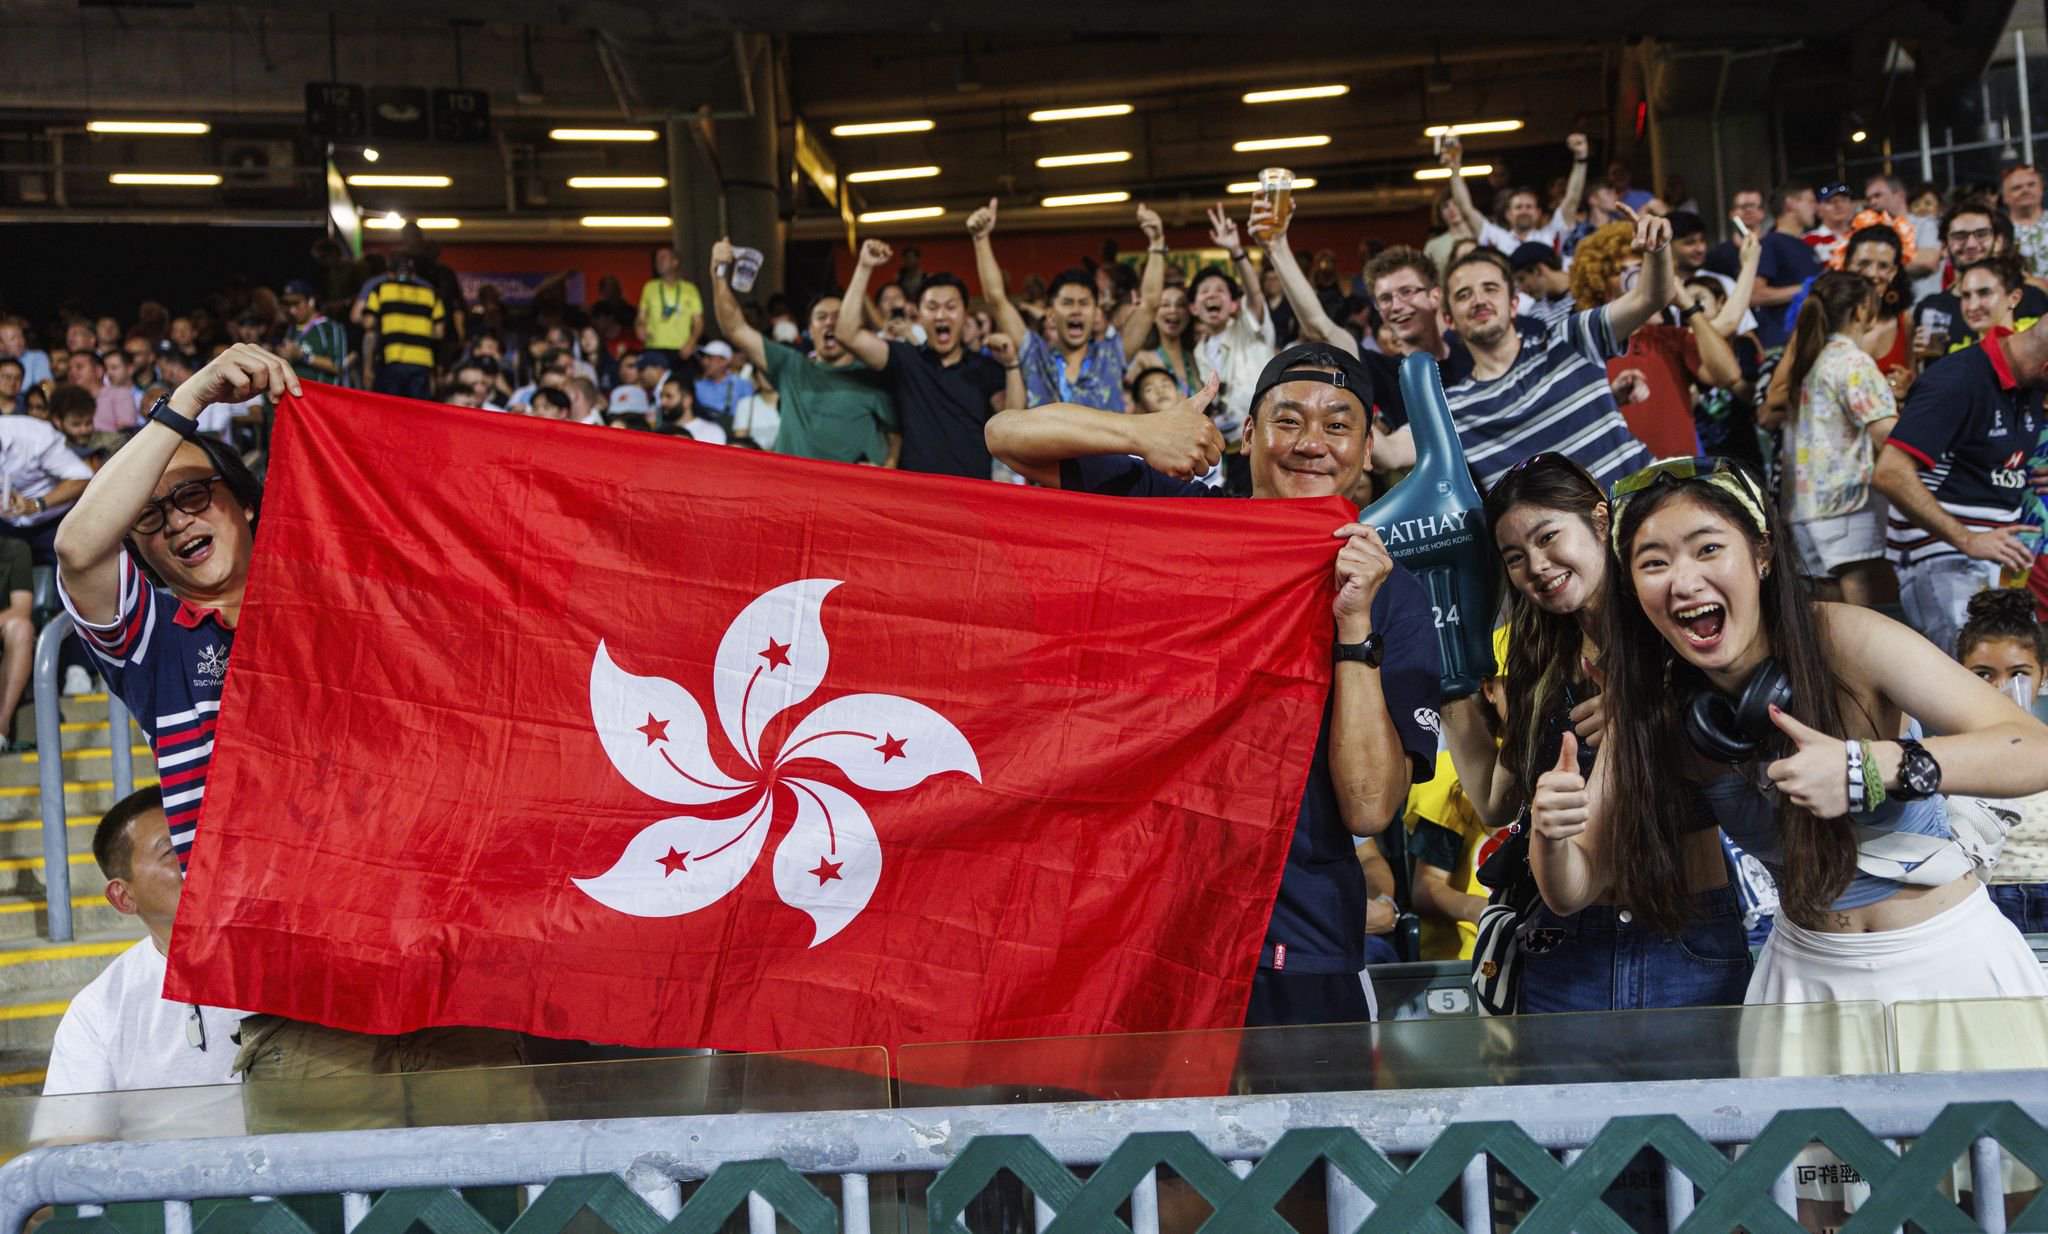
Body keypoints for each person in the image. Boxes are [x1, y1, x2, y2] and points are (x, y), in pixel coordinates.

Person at [986, 342, 1442, 1025]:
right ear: (1248, 434)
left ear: (1368, 448)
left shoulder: (1394, 595)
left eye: (1338, 424)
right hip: (1145, 926)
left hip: (1301, 941)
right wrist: (1139, 433)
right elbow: (1007, 436)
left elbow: (1370, 808)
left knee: (1315, 1137)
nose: (1312, 443)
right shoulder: (1180, 517)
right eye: (1288, 420)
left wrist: (1354, 628)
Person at [1441, 455, 1751, 1011]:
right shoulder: (1533, 657)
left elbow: (1752, 730)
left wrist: (1655, 707)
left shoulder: (1683, 625)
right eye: (1515, 557)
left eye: (1548, 536)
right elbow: (1492, 800)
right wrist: (1450, 684)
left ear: (1601, 520)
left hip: (1685, 930)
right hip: (1565, 943)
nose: (1536, 565)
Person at [1439, 205, 1671, 490]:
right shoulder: (1452, 408)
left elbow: (1650, 297)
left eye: (1491, 289)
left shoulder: (1570, 337)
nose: (1479, 300)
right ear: (1449, 319)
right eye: (1464, 294)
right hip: (1560, 534)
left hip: (1645, 511)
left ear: (1514, 304)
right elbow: (1391, 451)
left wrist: (1658, 249)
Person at [43, 788, 243, 1099]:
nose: (198, 859)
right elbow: (71, 1141)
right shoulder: (99, 1011)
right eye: (173, 852)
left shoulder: (287, 963)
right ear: (123, 897)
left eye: (201, 840)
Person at [1873, 318, 2046, 655]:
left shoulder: (2028, 384)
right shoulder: (1957, 379)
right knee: (1977, 673)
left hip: (1999, 563)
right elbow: (1890, 472)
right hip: (1944, 559)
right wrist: (1967, 539)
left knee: (2019, 674)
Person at [1763, 271, 1898, 607]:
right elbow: (1887, 434)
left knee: (1830, 626)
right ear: (1861, 311)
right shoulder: (1853, 362)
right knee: (1867, 625)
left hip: (1804, 511)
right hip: (1849, 508)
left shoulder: (1809, 360)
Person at [836, 240, 1021, 480]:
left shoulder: (983, 367)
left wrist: (1011, 364)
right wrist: (863, 267)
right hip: (915, 498)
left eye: (951, 307)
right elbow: (846, 334)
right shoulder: (904, 358)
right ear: (919, 316)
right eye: (932, 307)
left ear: (965, 314)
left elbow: (1013, 423)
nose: (941, 315)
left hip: (972, 498)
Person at [710, 240, 899, 467]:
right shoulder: (790, 366)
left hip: (854, 496)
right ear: (809, 331)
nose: (830, 323)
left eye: (839, 317)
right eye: (821, 317)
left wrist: (888, 467)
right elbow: (735, 328)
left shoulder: (874, 374)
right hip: (795, 494)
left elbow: (895, 434)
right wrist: (718, 272)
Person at [968, 198, 1164, 413]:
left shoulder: (1112, 356)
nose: (1076, 310)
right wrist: (981, 239)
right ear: (1050, 313)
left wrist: (1156, 243)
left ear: (1097, 312)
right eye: (1067, 303)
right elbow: (997, 299)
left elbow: (1149, 305)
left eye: (1084, 303)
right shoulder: (1035, 356)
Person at [1950, 588, 2048, 934]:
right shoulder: (1940, 754)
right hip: (1979, 904)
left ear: (2043, 674)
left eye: (2019, 674)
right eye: (1983, 675)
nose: (2002, 688)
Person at [1191, 203, 1276, 493]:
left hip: (1269, 439)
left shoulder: (1249, 329)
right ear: (1193, 307)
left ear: (1233, 304)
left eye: (1219, 291)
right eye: (1204, 292)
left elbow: (1255, 294)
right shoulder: (1198, 351)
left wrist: (1236, 252)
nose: (1211, 295)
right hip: (1230, 451)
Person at [1443, 131, 1590, 256]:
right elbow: (1466, 209)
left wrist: (1581, 159)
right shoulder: (1496, 238)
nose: (1524, 210)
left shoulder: (1552, 235)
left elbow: (1572, 199)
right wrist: (1455, 170)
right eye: (1518, 207)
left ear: (1538, 213)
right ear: (1508, 214)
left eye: (1529, 206)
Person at [1, 384, 94, 562]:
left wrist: (35, 505)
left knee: (70, 577)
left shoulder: (36, 437)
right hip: (7, 524)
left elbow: (82, 478)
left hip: (51, 522)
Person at [358, 252, 446, 400]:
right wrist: (418, 329)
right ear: (413, 274)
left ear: (390, 273)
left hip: (392, 359)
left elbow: (368, 323)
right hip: (421, 361)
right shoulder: (430, 294)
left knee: (392, 409)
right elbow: (439, 332)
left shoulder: (381, 290)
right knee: (417, 412)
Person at [1752, 184, 1821, 350]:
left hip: (1808, 339)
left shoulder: (1807, 247)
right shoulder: (1770, 244)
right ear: (1791, 203)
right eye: (1810, 201)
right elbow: (1754, 294)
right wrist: (1808, 287)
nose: (1816, 207)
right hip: (1782, 343)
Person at [1865, 174, 1943, 301]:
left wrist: (1879, 267)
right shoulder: (1871, 235)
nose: (1872, 202)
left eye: (1878, 195)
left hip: (1922, 308)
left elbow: (1928, 261)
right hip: (1887, 313)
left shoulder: (1925, 224)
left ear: (1900, 195)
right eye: (1869, 199)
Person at [636, 246, 703, 375]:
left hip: (681, 348)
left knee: (680, 386)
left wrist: (692, 342)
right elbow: (641, 316)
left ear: (675, 262)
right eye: (656, 259)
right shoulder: (649, 287)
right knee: (654, 387)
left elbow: (698, 321)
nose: (658, 261)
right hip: (654, 346)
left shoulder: (689, 289)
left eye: (663, 258)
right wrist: (639, 326)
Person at [276, 279, 349, 387]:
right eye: (288, 304)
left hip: (320, 398)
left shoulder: (330, 328)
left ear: (311, 301)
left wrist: (303, 356)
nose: (292, 310)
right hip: (295, 396)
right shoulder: (290, 329)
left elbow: (338, 366)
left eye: (296, 303)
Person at [1509, 243, 1574, 330]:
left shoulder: (1591, 289)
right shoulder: (1536, 314)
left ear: (1539, 270)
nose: (1521, 289)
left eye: (1522, 279)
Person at [691, 340, 753, 426]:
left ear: (725, 361)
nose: (704, 362)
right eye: (703, 358)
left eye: (710, 358)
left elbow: (748, 415)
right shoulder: (697, 385)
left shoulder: (742, 386)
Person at [2003, 164, 2048, 281]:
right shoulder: (1998, 231)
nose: (2025, 190)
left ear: (2041, 189)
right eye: (2017, 188)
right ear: (2005, 197)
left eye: (2031, 185)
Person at [1803, 183, 1858, 265]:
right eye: (1830, 202)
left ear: (1851, 205)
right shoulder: (1808, 241)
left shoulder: (1862, 235)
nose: (1839, 205)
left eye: (1843, 200)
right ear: (1818, 210)